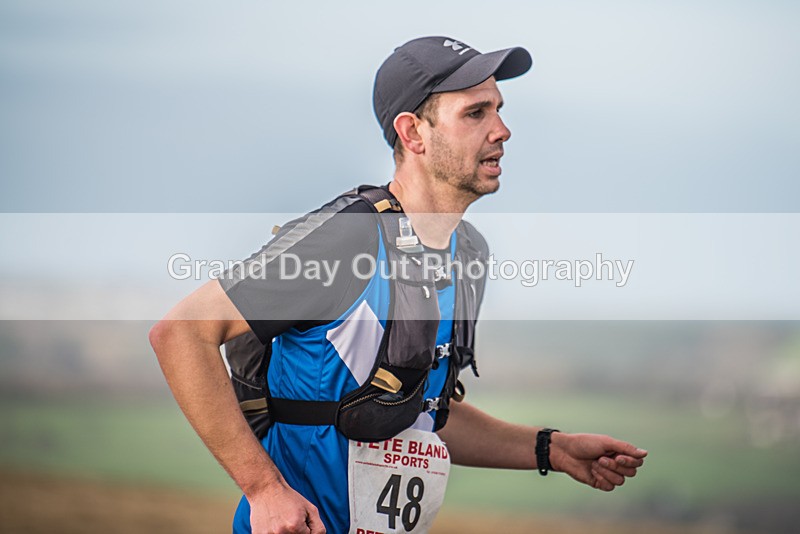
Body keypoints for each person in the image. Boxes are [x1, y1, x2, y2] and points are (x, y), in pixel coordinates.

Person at [149, 36, 648, 534]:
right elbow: (180, 333)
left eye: (499, 109)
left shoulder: (467, 252)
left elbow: (420, 413)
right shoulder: (349, 238)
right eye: (475, 113)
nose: (503, 130)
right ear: (413, 133)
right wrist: (263, 490)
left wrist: (552, 449)